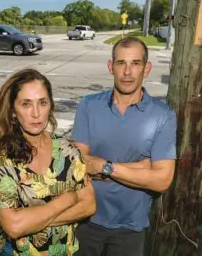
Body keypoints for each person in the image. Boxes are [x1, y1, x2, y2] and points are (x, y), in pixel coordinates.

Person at [71, 37, 177, 256]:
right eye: (121, 63)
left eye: (135, 63)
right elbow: (77, 168)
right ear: (111, 67)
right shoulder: (89, 106)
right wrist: (140, 169)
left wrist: (104, 166)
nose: (127, 72)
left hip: (131, 227)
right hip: (85, 219)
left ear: (146, 69)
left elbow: (162, 180)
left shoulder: (163, 116)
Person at [0, 68, 96, 255]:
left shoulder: (67, 151)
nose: (36, 113)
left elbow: (89, 205)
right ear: (13, 111)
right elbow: (13, 226)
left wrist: (32, 221)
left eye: (42, 103)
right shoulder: (2, 160)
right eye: (26, 104)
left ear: (50, 106)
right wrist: (69, 199)